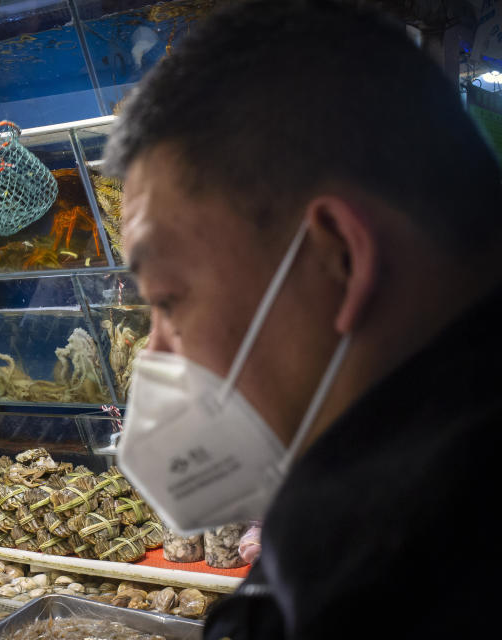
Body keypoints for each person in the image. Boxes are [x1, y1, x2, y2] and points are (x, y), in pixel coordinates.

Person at [105, 1, 500, 638]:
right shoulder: (356, 532)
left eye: (169, 300)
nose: (155, 352)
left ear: (337, 259)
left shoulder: (392, 582)